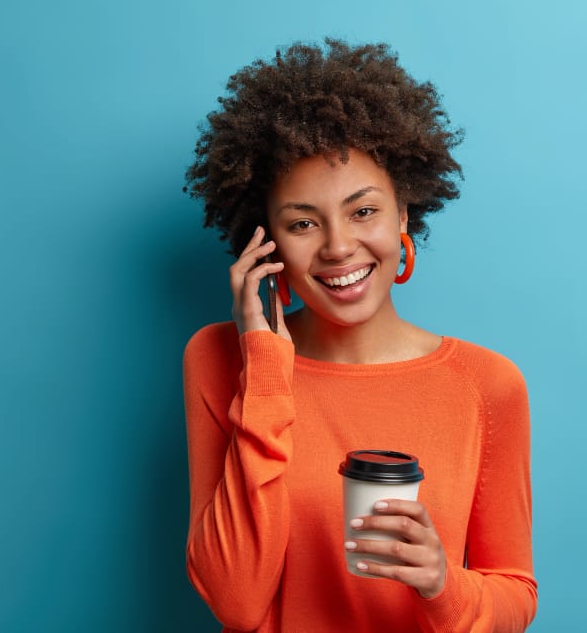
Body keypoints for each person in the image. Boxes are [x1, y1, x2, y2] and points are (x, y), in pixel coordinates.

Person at [182, 38, 537, 632]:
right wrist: (265, 366)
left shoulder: (486, 385)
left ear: (403, 213)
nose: (339, 246)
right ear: (264, 241)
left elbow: (515, 595)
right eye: (302, 223)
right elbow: (236, 602)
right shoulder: (219, 359)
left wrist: (442, 584)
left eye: (364, 211)